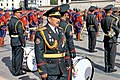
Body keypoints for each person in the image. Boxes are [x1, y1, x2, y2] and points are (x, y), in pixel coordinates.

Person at [34, 5, 71, 80]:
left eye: (59, 17)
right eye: (56, 18)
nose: (58, 20)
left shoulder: (61, 31)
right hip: (50, 68)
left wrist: (68, 62)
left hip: (62, 66)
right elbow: (39, 53)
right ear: (49, 19)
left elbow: (65, 47)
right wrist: (42, 70)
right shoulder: (42, 32)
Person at [59, 4, 76, 80]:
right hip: (65, 52)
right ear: (66, 14)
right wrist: (72, 51)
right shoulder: (67, 26)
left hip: (57, 51)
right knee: (67, 73)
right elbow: (69, 40)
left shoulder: (56, 23)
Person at [8, 8, 26, 76]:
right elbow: (20, 34)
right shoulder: (18, 22)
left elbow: (9, 32)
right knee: (18, 57)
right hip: (18, 41)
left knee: (14, 56)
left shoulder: (10, 20)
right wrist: (23, 42)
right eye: (19, 13)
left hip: (13, 40)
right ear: (16, 13)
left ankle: (14, 70)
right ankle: (18, 71)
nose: (20, 15)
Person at [101, 4, 119, 73]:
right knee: (112, 53)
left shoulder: (103, 19)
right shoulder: (112, 19)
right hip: (112, 38)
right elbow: (117, 30)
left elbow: (103, 28)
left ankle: (106, 67)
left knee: (106, 53)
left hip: (106, 37)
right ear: (110, 11)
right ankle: (111, 67)